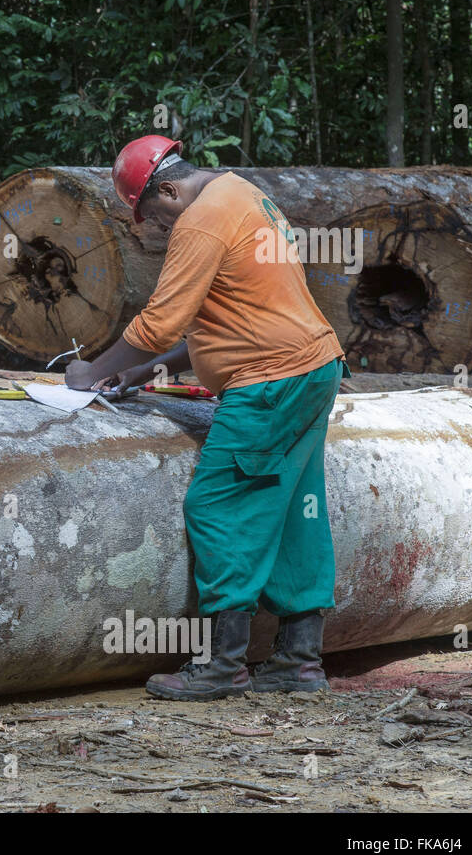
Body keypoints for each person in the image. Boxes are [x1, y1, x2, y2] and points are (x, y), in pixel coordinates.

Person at [66, 135, 349, 701]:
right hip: (311, 367)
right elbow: (234, 312)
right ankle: (298, 659)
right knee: (293, 508)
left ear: (168, 190)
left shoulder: (201, 221)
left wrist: (88, 371)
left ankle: (222, 665)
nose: (153, 226)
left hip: (271, 380)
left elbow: (159, 324)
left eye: (150, 212)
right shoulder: (242, 194)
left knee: (219, 504)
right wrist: (146, 374)